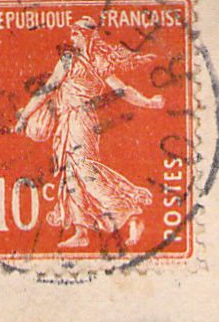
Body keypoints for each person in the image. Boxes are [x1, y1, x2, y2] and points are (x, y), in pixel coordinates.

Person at [11, 17, 164, 249]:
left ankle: (126, 209)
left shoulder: (94, 61)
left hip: (82, 120)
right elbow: (47, 90)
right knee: (70, 173)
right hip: (67, 120)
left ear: (85, 35)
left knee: (83, 168)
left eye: (75, 34)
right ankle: (81, 231)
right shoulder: (70, 60)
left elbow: (122, 89)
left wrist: (148, 102)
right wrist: (25, 116)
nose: (72, 38)